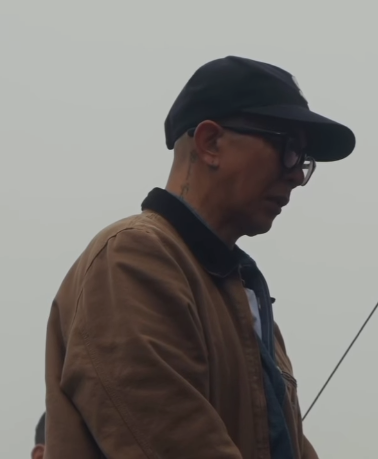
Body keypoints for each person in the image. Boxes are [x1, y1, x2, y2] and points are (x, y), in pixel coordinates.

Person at [44, 56, 355, 459]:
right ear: (210, 143)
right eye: (289, 148)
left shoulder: (242, 293)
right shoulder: (133, 257)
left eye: (304, 160)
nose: (297, 175)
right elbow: (176, 439)